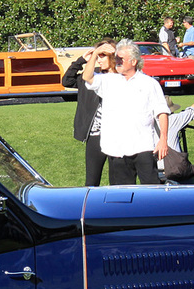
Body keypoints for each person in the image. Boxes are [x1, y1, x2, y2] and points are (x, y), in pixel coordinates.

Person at [81, 40, 170, 185]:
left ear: (134, 61)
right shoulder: (108, 80)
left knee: (152, 196)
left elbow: (162, 112)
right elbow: (87, 77)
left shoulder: (149, 83)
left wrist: (163, 140)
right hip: (117, 149)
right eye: (116, 58)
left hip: (143, 147)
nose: (117, 61)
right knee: (121, 199)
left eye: (121, 59)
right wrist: (96, 53)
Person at [62, 39, 116, 186]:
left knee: (118, 182)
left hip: (117, 135)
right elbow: (67, 81)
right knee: (92, 182)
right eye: (98, 55)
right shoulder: (90, 77)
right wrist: (80, 61)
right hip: (95, 135)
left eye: (103, 55)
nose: (99, 59)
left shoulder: (121, 78)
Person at [156, 84, 194, 183]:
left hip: (153, 169)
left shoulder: (148, 123)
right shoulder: (173, 120)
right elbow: (191, 111)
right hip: (173, 168)